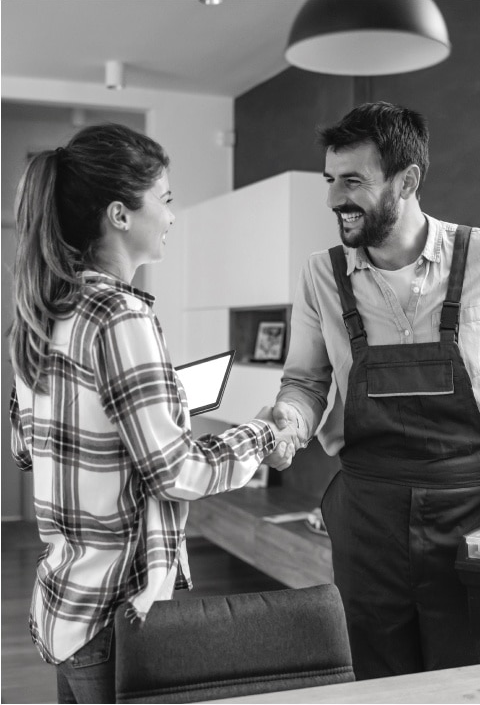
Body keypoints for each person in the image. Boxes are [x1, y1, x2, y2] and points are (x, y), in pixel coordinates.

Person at [8, 123, 296, 704]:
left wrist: (159, 406)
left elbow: (29, 444)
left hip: (67, 603)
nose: (171, 215)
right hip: (119, 615)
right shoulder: (120, 316)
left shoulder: (44, 312)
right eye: (164, 199)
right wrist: (265, 432)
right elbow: (176, 473)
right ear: (120, 214)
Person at [270, 102, 480, 679]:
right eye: (330, 180)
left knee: (473, 676)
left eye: (353, 181)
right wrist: (288, 422)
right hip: (366, 518)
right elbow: (305, 382)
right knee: (377, 676)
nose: (334, 198)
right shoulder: (322, 274)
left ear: (407, 180)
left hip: (471, 514)